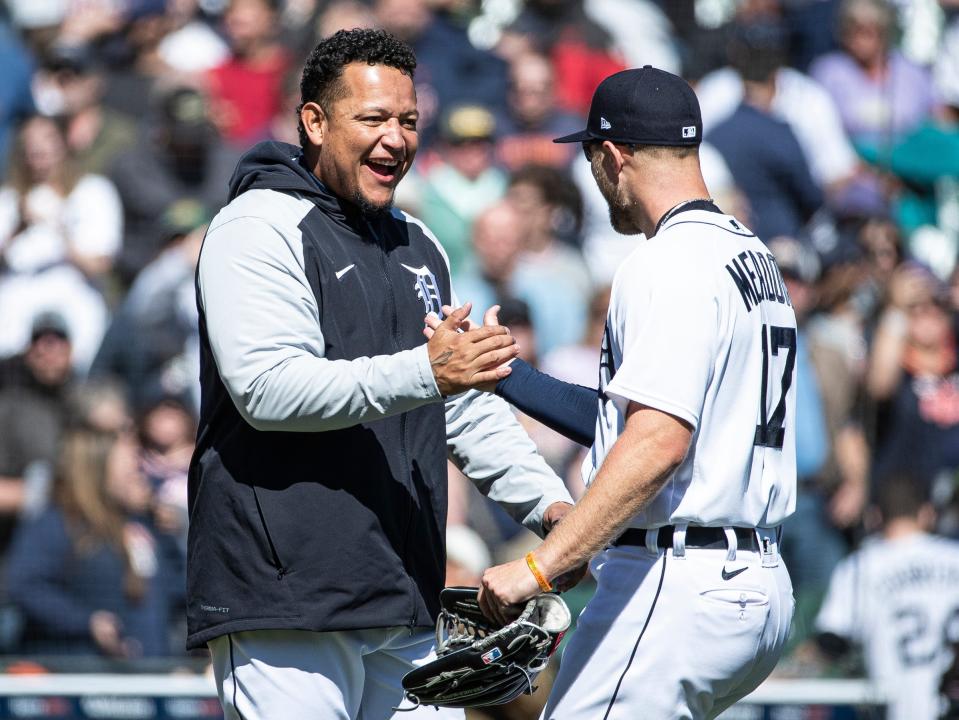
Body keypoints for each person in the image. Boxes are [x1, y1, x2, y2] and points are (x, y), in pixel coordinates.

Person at [188, 28, 574, 720]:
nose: (395, 139)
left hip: (403, 593)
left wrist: (548, 507)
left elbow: (456, 399)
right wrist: (430, 371)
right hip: (287, 598)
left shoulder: (417, 243)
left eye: (407, 121)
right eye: (372, 118)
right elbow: (267, 389)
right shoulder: (256, 226)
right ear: (313, 121)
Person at [461, 66, 797, 718]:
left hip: (679, 580)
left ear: (612, 155)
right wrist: (512, 377)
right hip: (754, 578)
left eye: (590, 157)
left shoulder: (662, 262)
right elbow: (652, 421)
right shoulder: (750, 255)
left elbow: (657, 442)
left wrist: (541, 566)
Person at [814, 474, 959, 720]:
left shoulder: (861, 565)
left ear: (876, 516)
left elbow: (831, 642)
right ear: (927, 512)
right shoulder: (955, 556)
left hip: (891, 706)